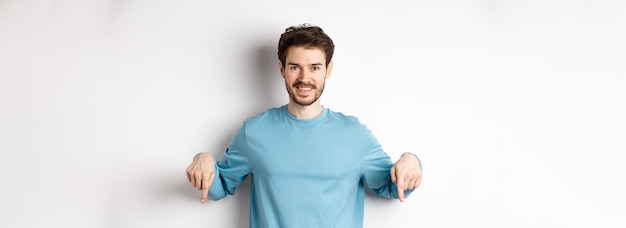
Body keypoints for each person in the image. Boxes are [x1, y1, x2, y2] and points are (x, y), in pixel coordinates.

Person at [186, 23, 423, 227]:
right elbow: (219, 187)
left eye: (314, 67)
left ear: (328, 70)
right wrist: (203, 158)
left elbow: (393, 187)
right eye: (294, 67)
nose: (304, 78)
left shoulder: (355, 135)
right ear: (282, 69)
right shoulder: (254, 131)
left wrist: (411, 160)